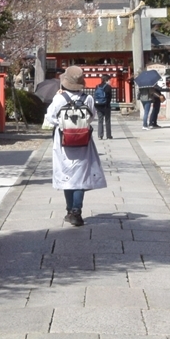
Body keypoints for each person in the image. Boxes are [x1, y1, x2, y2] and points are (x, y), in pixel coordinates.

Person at [44, 66, 106, 226]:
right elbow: (91, 117)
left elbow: (50, 118)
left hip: (63, 140)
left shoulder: (59, 99)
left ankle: (69, 210)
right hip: (83, 140)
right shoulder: (88, 99)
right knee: (80, 177)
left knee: (67, 175)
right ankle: (76, 212)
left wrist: (62, 123)